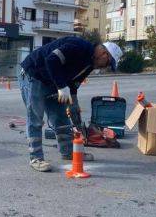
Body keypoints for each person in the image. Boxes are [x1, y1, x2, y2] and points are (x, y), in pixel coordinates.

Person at [19, 37, 123, 172]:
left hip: (52, 80)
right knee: (36, 118)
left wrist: (73, 102)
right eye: (108, 63)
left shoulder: (90, 63)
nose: (105, 67)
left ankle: (68, 152)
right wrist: (62, 87)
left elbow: (74, 82)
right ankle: (36, 158)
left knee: (61, 117)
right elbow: (51, 60)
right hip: (34, 75)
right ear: (104, 53)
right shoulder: (78, 46)